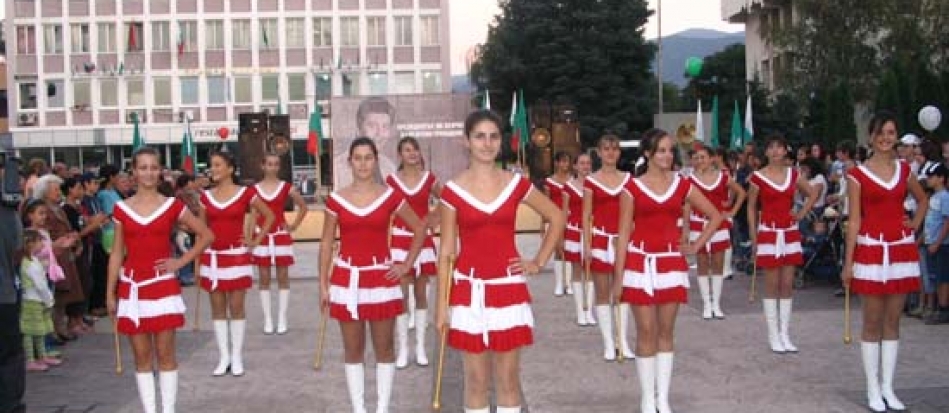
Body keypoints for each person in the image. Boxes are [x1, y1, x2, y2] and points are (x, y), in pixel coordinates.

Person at [435, 110, 564, 413]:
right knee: (476, 382)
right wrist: (441, 306)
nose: (487, 143)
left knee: (508, 381)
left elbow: (557, 216)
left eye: (493, 136)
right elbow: (447, 252)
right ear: (466, 141)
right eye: (479, 136)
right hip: (468, 292)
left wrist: (537, 261)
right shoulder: (452, 190)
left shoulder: (515, 183)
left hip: (508, 290)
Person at [614, 129, 723, 413]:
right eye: (661, 150)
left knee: (666, 331)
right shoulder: (631, 188)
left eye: (670, 150)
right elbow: (623, 234)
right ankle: (647, 399)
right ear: (647, 153)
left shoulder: (683, 185)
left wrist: (696, 245)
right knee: (645, 331)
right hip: (639, 264)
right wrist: (618, 278)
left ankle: (663, 398)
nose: (667, 155)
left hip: (671, 264)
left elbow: (715, 215)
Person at [319, 137, 427, 413]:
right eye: (358, 158)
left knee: (384, 348)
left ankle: (382, 408)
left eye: (368, 158)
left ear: (376, 160)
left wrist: (405, 265)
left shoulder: (390, 196)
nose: (363, 164)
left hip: (382, 280)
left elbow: (419, 228)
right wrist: (323, 285)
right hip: (347, 280)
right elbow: (326, 243)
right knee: (353, 350)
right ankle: (359, 409)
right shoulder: (336, 199)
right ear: (349, 162)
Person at [107, 147, 213, 413]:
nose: (149, 173)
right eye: (143, 168)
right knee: (141, 358)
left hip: (162, 288)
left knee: (166, 355)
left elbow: (206, 235)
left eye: (154, 167)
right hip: (132, 289)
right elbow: (117, 253)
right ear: (134, 171)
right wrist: (110, 292)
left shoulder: (172, 205)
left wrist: (180, 261)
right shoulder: (121, 209)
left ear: (161, 171)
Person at [842, 111, 928, 412]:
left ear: (896, 136)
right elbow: (854, 220)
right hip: (871, 251)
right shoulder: (857, 175)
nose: (885, 138)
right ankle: (872, 389)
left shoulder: (905, 169)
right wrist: (848, 262)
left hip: (900, 249)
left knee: (893, 321)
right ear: (871, 137)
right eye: (880, 132)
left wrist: (913, 224)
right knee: (872, 321)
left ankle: (889, 387)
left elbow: (923, 199)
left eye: (891, 133)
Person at [200, 151, 275, 377]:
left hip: (236, 257)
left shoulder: (245, 193)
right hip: (212, 258)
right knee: (218, 309)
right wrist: (197, 262)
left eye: (218, 165)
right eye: (212, 165)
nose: (213, 169)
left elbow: (269, 216)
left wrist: (255, 241)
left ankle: (237, 356)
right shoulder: (205, 197)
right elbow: (201, 231)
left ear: (230, 169)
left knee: (236, 307)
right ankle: (223, 356)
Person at [746, 134, 816, 354]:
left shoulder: (793, 174)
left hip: (789, 233)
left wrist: (801, 213)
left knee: (787, 285)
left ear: (786, 150)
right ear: (766, 152)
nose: (776, 151)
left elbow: (813, 193)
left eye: (780, 147)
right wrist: (754, 237)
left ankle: (785, 334)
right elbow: (751, 207)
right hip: (768, 233)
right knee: (771, 285)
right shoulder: (758, 177)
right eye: (771, 147)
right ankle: (773, 334)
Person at [385, 136, 441, 369]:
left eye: (415, 149)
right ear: (400, 155)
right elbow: (384, 209)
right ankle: (403, 349)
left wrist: (433, 219)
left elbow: (448, 200)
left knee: (421, 294)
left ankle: (420, 348)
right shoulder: (391, 181)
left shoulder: (429, 178)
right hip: (400, 241)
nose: (412, 153)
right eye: (407, 150)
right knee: (401, 296)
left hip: (423, 242)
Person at [582, 135, 634, 361]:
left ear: (619, 153)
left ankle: (622, 341)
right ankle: (608, 343)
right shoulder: (591, 181)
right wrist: (587, 244)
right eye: (606, 149)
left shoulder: (629, 179)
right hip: (601, 241)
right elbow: (586, 215)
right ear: (599, 152)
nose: (611, 153)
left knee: (622, 291)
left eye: (614, 149)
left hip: (623, 241)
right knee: (603, 292)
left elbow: (634, 213)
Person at [687, 145, 746, 320]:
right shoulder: (689, 180)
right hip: (698, 225)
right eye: (696, 158)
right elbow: (687, 204)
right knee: (702, 264)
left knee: (718, 264)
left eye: (703, 157)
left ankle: (716, 304)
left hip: (719, 225)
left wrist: (732, 211)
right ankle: (707, 303)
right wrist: (686, 227)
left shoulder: (723, 177)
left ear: (712, 158)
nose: (700, 161)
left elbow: (741, 193)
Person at [252, 154, 308, 335]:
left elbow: (303, 206)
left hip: (280, 235)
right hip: (262, 235)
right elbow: (252, 215)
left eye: (276, 164)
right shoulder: (254, 190)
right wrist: (251, 236)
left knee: (283, 276)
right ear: (262, 166)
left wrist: (293, 225)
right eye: (269, 164)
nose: (273, 167)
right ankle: (268, 318)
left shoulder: (286, 187)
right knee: (264, 277)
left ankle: (282, 317)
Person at [32, 175, 85, 342]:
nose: (58, 192)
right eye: (55, 189)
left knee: (65, 294)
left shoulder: (58, 208)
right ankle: (55, 330)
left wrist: (73, 239)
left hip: (64, 253)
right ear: (45, 192)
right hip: (55, 253)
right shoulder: (44, 209)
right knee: (57, 293)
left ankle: (60, 327)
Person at [18, 229, 58, 372]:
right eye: (40, 241)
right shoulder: (29, 264)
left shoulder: (33, 260)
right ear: (30, 244)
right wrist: (49, 299)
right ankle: (30, 359)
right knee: (30, 331)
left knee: (40, 330)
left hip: (37, 300)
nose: (42, 244)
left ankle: (42, 355)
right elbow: (40, 285)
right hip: (32, 300)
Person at [565, 153, 595, 325]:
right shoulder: (568, 187)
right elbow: (564, 213)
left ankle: (589, 310)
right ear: (575, 166)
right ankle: (580, 312)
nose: (585, 166)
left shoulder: (596, 184)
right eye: (582, 163)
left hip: (592, 230)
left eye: (588, 163)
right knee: (577, 270)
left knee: (591, 270)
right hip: (574, 231)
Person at [922, 162, 949, 325]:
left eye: (931, 177)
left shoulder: (945, 197)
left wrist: (938, 242)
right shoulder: (933, 197)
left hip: (942, 245)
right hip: (930, 242)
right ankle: (939, 307)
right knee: (936, 277)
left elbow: (947, 222)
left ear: (941, 178)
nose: (928, 179)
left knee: (943, 277)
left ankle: (944, 308)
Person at [545, 151, 573, 296]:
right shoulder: (549, 181)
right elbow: (546, 202)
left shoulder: (574, 181)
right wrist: (544, 223)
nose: (564, 164)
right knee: (558, 250)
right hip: (555, 219)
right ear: (556, 163)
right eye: (562, 161)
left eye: (567, 161)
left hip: (571, 219)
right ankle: (559, 284)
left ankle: (569, 283)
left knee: (569, 250)